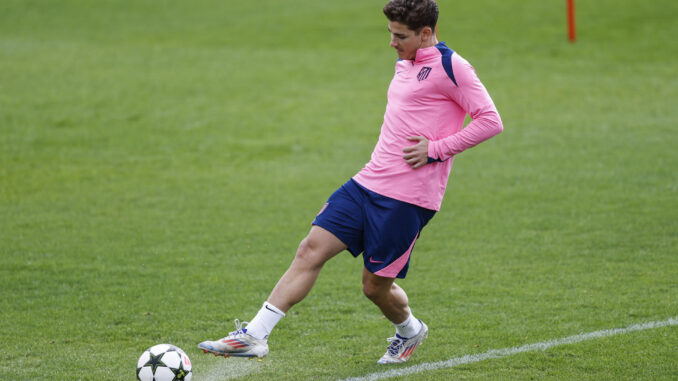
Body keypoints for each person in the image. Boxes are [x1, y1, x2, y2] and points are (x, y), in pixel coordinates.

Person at [199, 0, 503, 364]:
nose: (391, 42)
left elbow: (490, 120)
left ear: (426, 34)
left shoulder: (453, 67)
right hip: (367, 182)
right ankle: (254, 335)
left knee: (374, 287)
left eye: (400, 35)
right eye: (390, 33)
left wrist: (437, 149)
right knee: (310, 248)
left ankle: (410, 330)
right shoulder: (405, 62)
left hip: (407, 199)